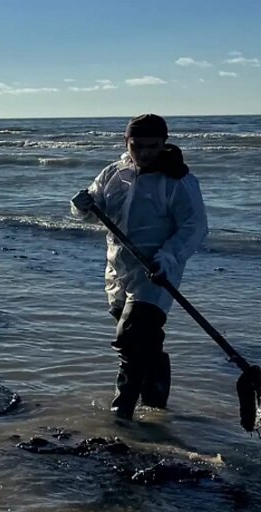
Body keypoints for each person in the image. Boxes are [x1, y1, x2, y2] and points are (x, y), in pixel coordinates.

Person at [71, 113, 209, 420]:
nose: (145, 153)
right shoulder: (113, 174)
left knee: (131, 340)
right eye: (138, 146)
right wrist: (83, 205)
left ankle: (122, 414)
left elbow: (194, 226)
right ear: (126, 142)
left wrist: (167, 258)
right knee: (143, 341)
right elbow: (96, 210)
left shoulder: (178, 181)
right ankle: (157, 406)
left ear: (164, 143)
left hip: (157, 272)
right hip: (118, 270)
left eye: (153, 146)